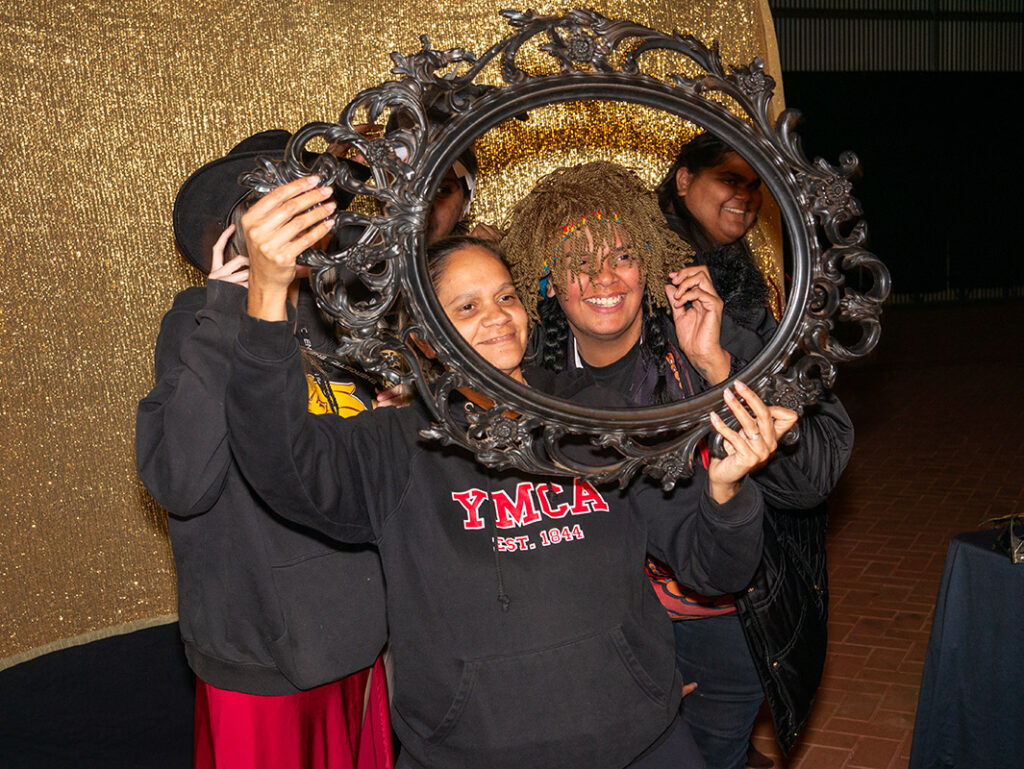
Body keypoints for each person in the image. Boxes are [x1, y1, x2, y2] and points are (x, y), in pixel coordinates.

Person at [222, 175, 798, 769]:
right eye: (466, 307)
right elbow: (280, 463)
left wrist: (727, 492)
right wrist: (266, 296)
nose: (496, 317)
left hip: (641, 745)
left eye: (506, 297)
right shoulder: (396, 443)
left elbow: (716, 566)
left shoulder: (597, 418)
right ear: (424, 337)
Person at [136, 130, 475, 768]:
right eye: (267, 201)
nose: (292, 215)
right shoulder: (198, 321)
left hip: (359, 637)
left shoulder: (346, 319)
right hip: (264, 658)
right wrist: (227, 309)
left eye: (306, 197)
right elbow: (180, 481)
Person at [503, 157, 853, 769]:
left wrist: (720, 368)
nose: (602, 278)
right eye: (576, 263)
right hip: (610, 631)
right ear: (549, 283)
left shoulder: (715, 337)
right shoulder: (529, 382)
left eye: (621, 255)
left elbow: (814, 477)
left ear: (650, 265)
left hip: (724, 627)